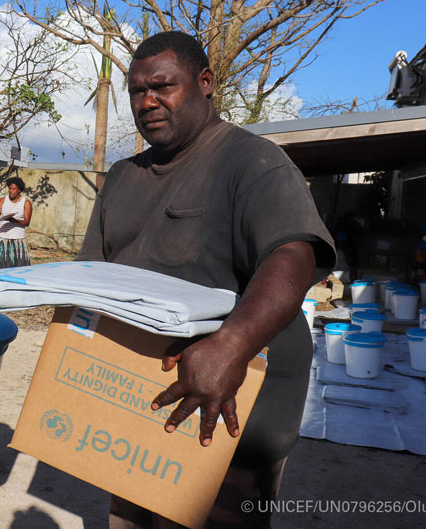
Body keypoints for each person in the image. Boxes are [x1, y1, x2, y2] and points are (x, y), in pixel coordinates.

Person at [76, 31, 335, 528]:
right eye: (135, 90)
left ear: (205, 83)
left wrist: (230, 345)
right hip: (142, 391)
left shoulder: (252, 161)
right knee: (128, 515)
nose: (146, 101)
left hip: (231, 391)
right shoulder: (123, 176)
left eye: (162, 86)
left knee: (205, 517)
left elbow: (294, 256)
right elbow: (92, 277)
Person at [0, 176, 33, 268]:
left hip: (17, 239)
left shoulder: (26, 203)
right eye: (10, 188)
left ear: (19, 190)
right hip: (1, 238)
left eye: (13, 189)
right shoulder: (2, 200)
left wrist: (15, 221)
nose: (11, 191)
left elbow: (26, 222)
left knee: (16, 267)